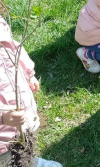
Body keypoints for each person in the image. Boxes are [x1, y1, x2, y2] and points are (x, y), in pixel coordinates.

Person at [0, 14, 62, 166]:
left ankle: (30, 161)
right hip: (2, 134)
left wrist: (29, 74)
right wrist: (2, 117)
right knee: (7, 158)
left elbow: (16, 48)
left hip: (20, 109)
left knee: (24, 142)